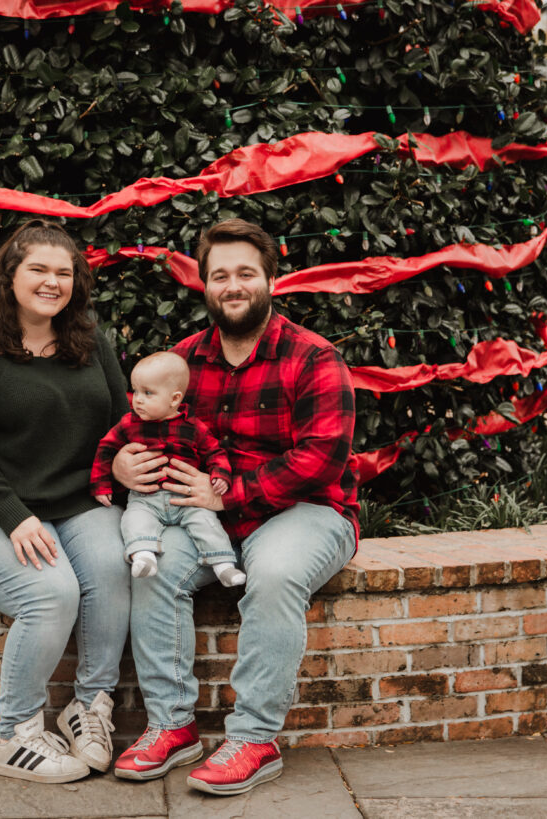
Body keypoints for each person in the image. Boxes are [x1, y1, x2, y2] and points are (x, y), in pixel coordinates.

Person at [111, 219, 360, 796]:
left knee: (272, 574)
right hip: (206, 519)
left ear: (271, 278)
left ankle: (254, 738)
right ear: (204, 286)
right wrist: (123, 464)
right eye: (219, 275)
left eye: (246, 272)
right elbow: (139, 430)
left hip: (306, 510)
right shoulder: (180, 363)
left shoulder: (314, 357)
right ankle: (173, 727)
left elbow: (322, 456)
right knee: (151, 568)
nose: (233, 285)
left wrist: (230, 493)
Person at [0, 219, 131, 784]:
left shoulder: (90, 344)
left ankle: (88, 708)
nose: (51, 282)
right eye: (38, 269)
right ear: (10, 275)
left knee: (114, 568)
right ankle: (13, 733)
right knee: (51, 592)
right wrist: (14, 516)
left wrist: (131, 467)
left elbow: (120, 426)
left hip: (74, 503)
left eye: (63, 273)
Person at [89, 351, 246, 587]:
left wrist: (220, 474)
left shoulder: (193, 428)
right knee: (133, 521)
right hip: (145, 499)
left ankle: (223, 566)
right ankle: (144, 556)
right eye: (136, 391)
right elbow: (106, 449)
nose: (138, 399)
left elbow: (215, 452)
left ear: (174, 399)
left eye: (148, 393)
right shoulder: (129, 424)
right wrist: (101, 484)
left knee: (206, 523)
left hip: (187, 499)